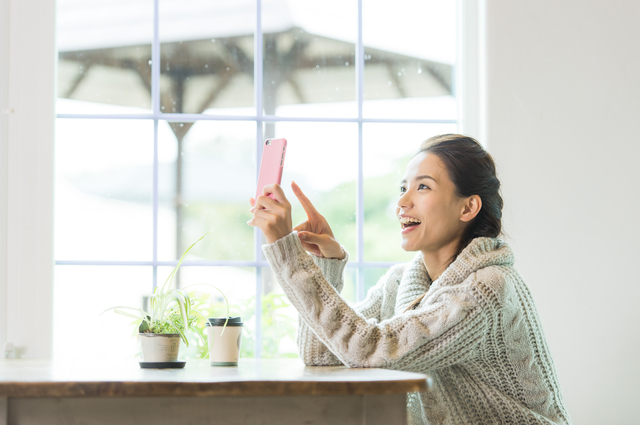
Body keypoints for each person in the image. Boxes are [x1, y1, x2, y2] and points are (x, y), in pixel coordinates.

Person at [247, 134, 571, 425]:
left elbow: (370, 349)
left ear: (469, 207)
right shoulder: (404, 281)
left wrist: (286, 251)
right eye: (403, 188)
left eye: (423, 187)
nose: (403, 202)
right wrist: (325, 263)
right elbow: (322, 354)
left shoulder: (487, 288)